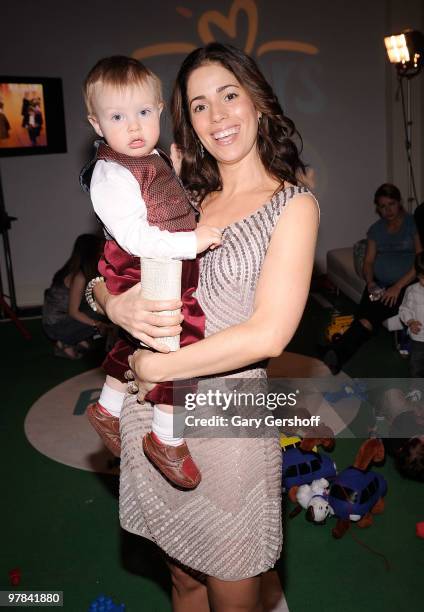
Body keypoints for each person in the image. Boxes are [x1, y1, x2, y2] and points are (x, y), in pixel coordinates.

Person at [89, 43, 318, 612]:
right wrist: (111, 307)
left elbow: (269, 335)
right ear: (185, 121)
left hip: (227, 427)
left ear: (258, 102)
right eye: (198, 105)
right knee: (183, 582)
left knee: (234, 586)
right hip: (153, 421)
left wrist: (154, 366)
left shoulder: (293, 205)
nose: (216, 116)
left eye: (229, 95)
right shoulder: (181, 195)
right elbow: (106, 271)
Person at [82, 56, 222, 487]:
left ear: (160, 110)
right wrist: (192, 242)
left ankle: (107, 408)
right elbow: (137, 238)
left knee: (136, 340)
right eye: (118, 116)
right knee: (181, 344)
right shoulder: (108, 172)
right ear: (96, 124)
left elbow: (160, 200)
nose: (134, 127)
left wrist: (175, 175)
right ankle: (166, 437)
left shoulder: (152, 155)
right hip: (144, 265)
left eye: (144, 112)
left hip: (162, 263)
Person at [322, 183, 421, 375]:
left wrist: (398, 287)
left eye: (391, 204)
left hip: (405, 284)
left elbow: (420, 260)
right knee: (363, 318)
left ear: (399, 203)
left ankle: (337, 354)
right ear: (378, 208)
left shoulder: (412, 224)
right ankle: (335, 353)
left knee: (369, 319)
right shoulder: (376, 230)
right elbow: (368, 262)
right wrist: (370, 283)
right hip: (378, 284)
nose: (388, 210)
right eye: (382, 206)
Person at [42, 234, 107, 359]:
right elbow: (73, 312)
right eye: (99, 250)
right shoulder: (79, 276)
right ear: (91, 253)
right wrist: (98, 324)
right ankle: (65, 342)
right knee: (102, 313)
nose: (102, 253)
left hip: (55, 322)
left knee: (99, 307)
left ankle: (74, 339)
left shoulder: (72, 270)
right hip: (56, 326)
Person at [399, 252, 424, 377]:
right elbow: (404, 310)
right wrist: (410, 321)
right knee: (416, 365)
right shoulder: (412, 291)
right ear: (418, 276)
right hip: (419, 338)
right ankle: (416, 390)